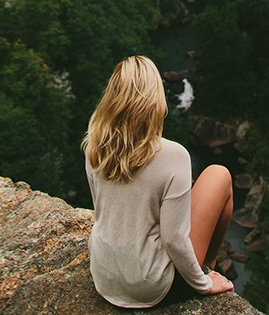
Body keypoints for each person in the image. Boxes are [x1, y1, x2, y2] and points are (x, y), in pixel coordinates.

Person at [83, 55, 235, 308]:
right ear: (156, 99)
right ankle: (207, 269)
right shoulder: (173, 155)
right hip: (149, 285)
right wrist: (204, 285)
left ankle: (203, 269)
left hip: (105, 274)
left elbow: (101, 210)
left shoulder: (95, 145)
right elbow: (173, 239)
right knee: (219, 174)